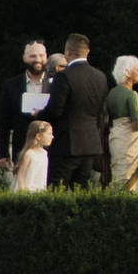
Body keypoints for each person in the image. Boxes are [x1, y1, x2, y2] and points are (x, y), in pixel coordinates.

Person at [43, 35, 110, 188]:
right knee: (81, 192)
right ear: (88, 52)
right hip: (90, 143)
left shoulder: (64, 77)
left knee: (57, 191)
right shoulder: (100, 77)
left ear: (68, 51)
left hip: (66, 143)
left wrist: (37, 114)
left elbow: (54, 111)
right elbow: (100, 112)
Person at [0, 39, 56, 168]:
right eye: (33, 56)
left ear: (46, 56)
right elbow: (4, 122)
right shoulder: (11, 85)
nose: (38, 59)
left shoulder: (56, 84)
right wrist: (3, 153)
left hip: (51, 151)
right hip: (21, 149)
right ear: (24, 58)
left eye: (41, 55)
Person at [106, 54, 138, 191]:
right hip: (130, 142)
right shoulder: (132, 95)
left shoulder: (111, 93)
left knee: (118, 176)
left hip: (115, 137)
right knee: (131, 180)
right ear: (128, 72)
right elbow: (136, 124)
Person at [13, 122, 52, 192]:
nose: (52, 136)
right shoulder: (29, 154)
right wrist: (22, 191)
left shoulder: (45, 153)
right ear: (38, 136)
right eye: (49, 134)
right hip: (28, 190)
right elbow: (21, 175)